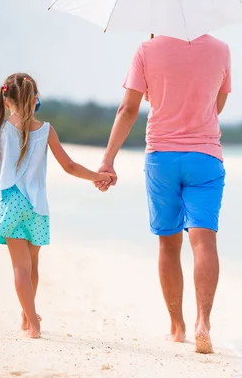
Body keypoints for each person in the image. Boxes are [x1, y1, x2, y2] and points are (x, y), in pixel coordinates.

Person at [96, 34, 231, 354]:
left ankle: (177, 326)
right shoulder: (220, 49)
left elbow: (127, 109)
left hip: (162, 158)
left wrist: (108, 159)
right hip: (205, 157)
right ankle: (203, 322)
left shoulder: (146, 49)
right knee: (204, 239)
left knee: (169, 243)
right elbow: (218, 104)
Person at [0, 73, 113, 339]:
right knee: (33, 264)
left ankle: (33, 322)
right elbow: (70, 166)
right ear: (35, 98)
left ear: (6, 100)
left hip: (9, 202)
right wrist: (99, 176)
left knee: (20, 267)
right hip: (37, 206)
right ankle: (27, 316)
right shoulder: (46, 130)